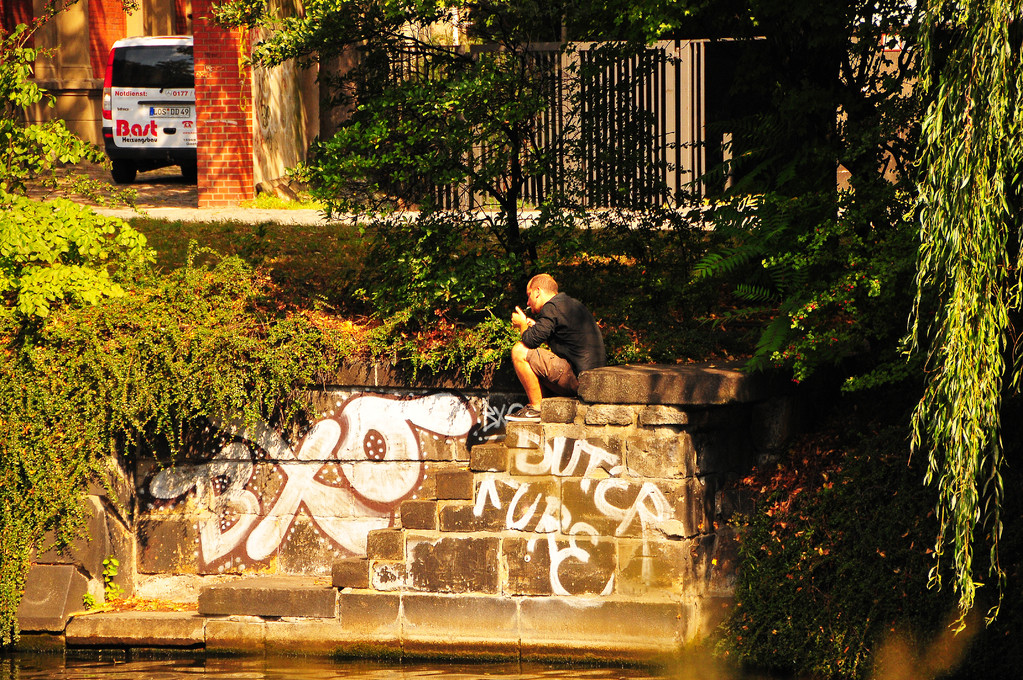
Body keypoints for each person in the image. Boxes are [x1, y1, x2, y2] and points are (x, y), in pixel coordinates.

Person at [506, 273, 606, 422]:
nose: (528, 302)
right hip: (593, 380)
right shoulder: (570, 304)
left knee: (519, 350)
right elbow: (562, 339)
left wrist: (521, 324)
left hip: (579, 380)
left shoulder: (551, 307)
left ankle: (536, 408)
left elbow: (530, 341)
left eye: (529, 295)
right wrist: (533, 326)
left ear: (538, 291)